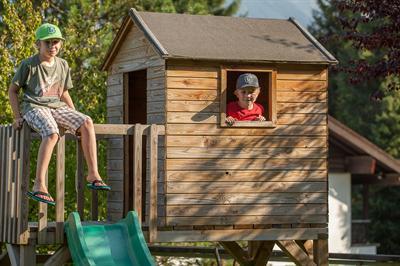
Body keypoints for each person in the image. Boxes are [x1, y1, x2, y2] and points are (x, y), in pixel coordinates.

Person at [8, 23, 110, 206]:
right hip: (34, 107)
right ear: (38, 44)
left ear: (60, 44)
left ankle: (93, 174)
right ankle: (39, 183)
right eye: (47, 43)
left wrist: (75, 117)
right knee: (52, 132)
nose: (52, 46)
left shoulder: (63, 65)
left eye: (56, 42)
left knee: (87, 121)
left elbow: (63, 93)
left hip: (57, 107)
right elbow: (13, 91)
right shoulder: (29, 65)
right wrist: (17, 116)